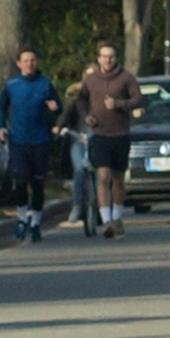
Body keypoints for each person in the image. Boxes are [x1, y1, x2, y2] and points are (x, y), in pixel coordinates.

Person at [0, 48, 61, 242]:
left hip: (40, 140)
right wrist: (1, 127)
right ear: (19, 63)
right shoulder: (12, 84)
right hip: (18, 140)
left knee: (38, 184)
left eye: (33, 60)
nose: (30, 64)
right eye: (26, 60)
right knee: (20, 181)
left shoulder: (45, 84)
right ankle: (23, 219)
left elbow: (59, 106)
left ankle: (36, 223)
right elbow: (1, 105)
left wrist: (54, 108)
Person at [79, 42, 143, 239]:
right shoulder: (90, 79)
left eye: (111, 57)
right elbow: (81, 100)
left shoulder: (126, 78)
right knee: (103, 176)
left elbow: (138, 100)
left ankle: (117, 217)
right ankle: (106, 220)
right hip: (99, 135)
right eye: (104, 56)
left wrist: (119, 104)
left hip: (120, 134)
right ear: (98, 59)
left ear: (116, 59)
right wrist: (86, 116)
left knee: (118, 179)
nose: (107, 60)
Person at [61, 79, 99, 235]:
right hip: (79, 142)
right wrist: (59, 127)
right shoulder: (75, 103)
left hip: (97, 142)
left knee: (99, 173)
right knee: (78, 170)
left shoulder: (102, 102)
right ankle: (77, 204)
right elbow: (64, 117)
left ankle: (100, 204)